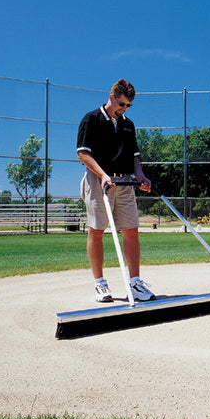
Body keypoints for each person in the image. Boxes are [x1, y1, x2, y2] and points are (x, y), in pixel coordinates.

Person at [77, 79, 155, 303]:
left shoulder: (128, 124)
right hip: (98, 181)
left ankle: (135, 284)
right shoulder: (91, 119)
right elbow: (83, 154)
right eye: (122, 104)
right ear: (111, 97)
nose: (124, 109)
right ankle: (100, 284)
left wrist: (140, 176)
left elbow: (134, 157)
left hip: (125, 183)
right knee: (97, 230)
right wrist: (103, 175)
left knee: (131, 230)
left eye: (128, 106)